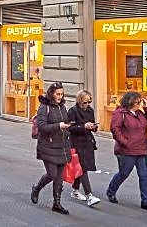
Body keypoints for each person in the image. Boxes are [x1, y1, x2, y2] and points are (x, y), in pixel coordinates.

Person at [105, 91, 147, 212]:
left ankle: (146, 202)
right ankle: (111, 191)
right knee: (123, 173)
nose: (139, 104)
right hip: (127, 151)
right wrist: (125, 142)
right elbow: (115, 130)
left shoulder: (140, 113)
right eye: (137, 102)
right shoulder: (120, 113)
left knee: (144, 176)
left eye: (140, 101)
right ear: (130, 102)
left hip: (142, 150)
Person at [30, 82, 72, 215]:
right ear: (51, 94)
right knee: (52, 174)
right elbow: (42, 126)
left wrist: (68, 127)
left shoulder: (62, 106)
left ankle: (57, 203)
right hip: (47, 145)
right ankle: (37, 188)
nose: (60, 96)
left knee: (59, 177)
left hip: (62, 145)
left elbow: (65, 122)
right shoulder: (44, 107)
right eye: (57, 94)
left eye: (61, 94)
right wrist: (58, 126)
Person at [67, 90, 101, 207]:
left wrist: (94, 127)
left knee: (81, 167)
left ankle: (75, 190)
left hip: (87, 142)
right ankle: (89, 195)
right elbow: (69, 128)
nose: (87, 104)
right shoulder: (73, 111)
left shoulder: (90, 110)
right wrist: (83, 126)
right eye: (85, 102)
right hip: (76, 143)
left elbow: (93, 126)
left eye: (89, 102)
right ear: (79, 101)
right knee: (82, 168)